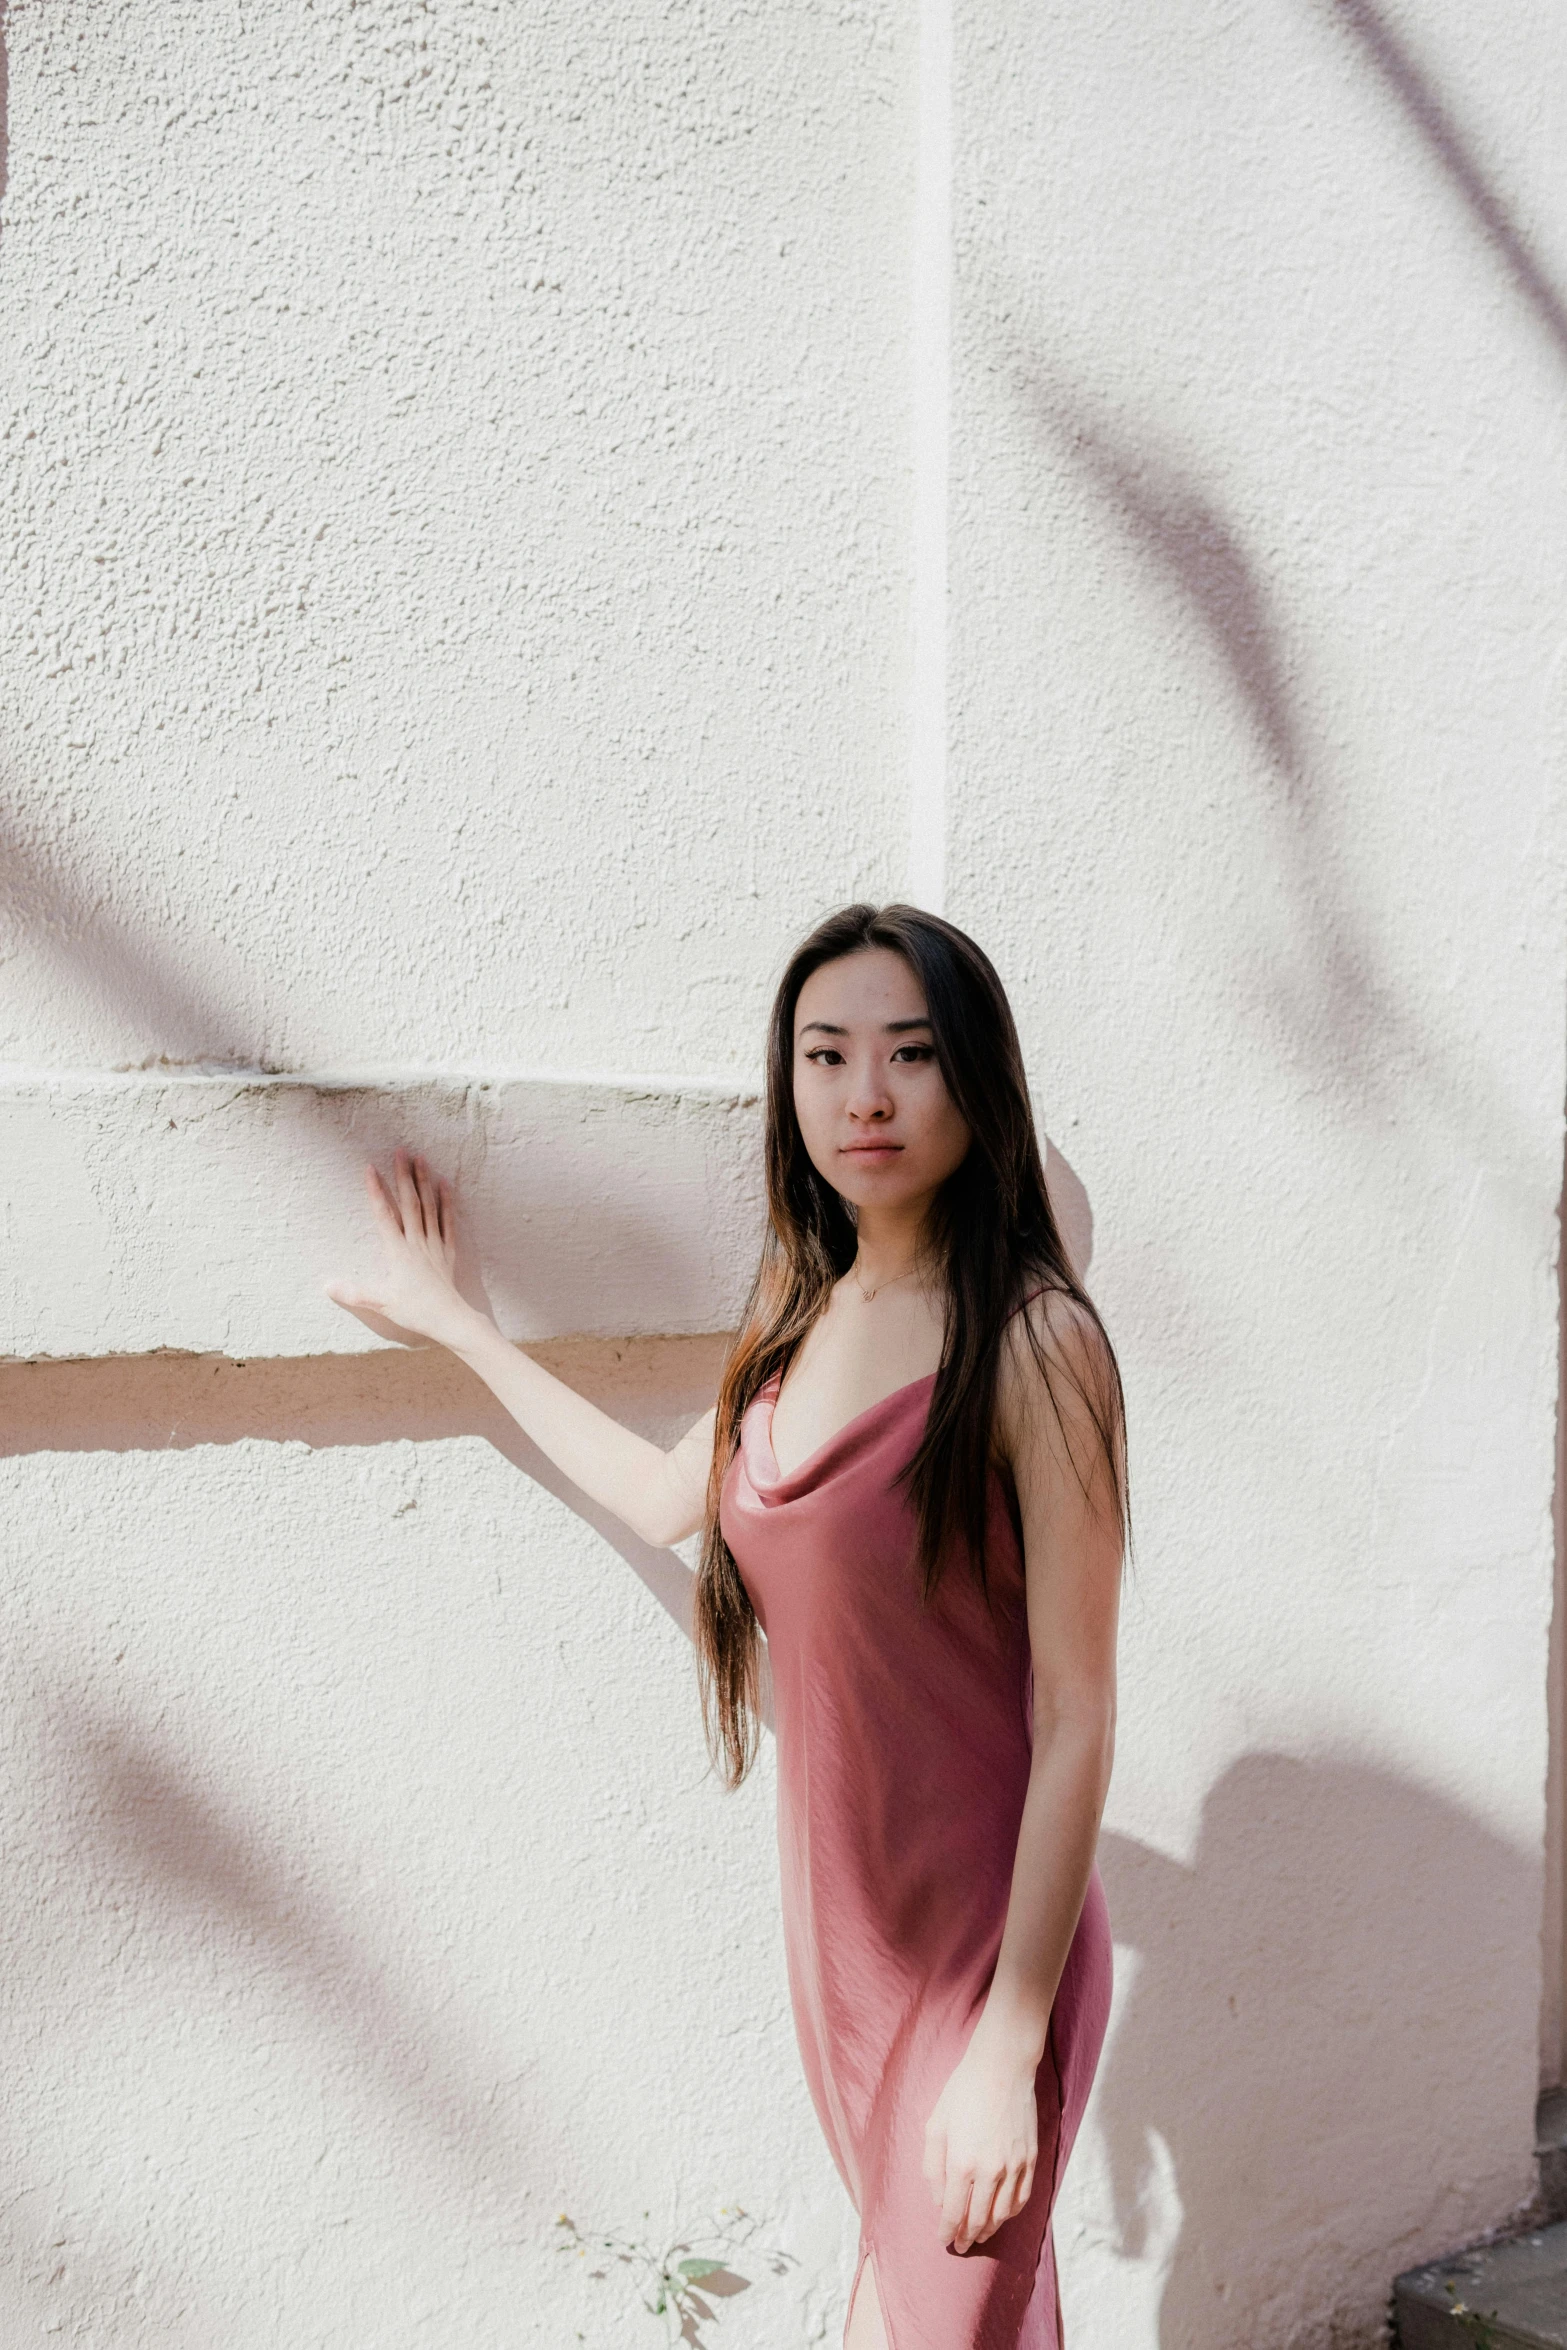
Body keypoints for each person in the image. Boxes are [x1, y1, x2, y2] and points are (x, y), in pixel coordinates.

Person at [326, 902, 1125, 2350]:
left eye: (910, 1052)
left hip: (985, 1956)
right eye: (825, 1054)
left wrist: (1011, 2040)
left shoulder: (1032, 1341)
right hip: (844, 1947)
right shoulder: (795, 1320)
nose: (863, 1093)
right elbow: (653, 1496)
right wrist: (456, 1322)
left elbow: (1076, 1710)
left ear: (978, 1079)